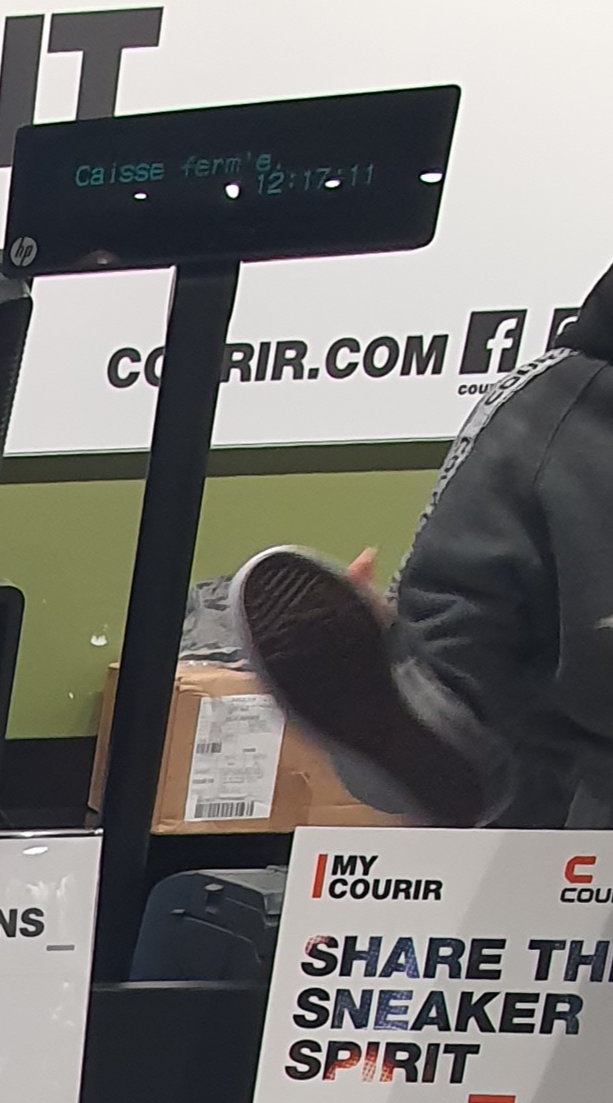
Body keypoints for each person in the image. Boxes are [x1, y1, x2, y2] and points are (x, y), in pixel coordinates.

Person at [232, 263, 613, 828]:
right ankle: (420, 703)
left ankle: (425, 706)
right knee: (450, 712)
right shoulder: (548, 417)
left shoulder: (546, 417)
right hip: (567, 823)